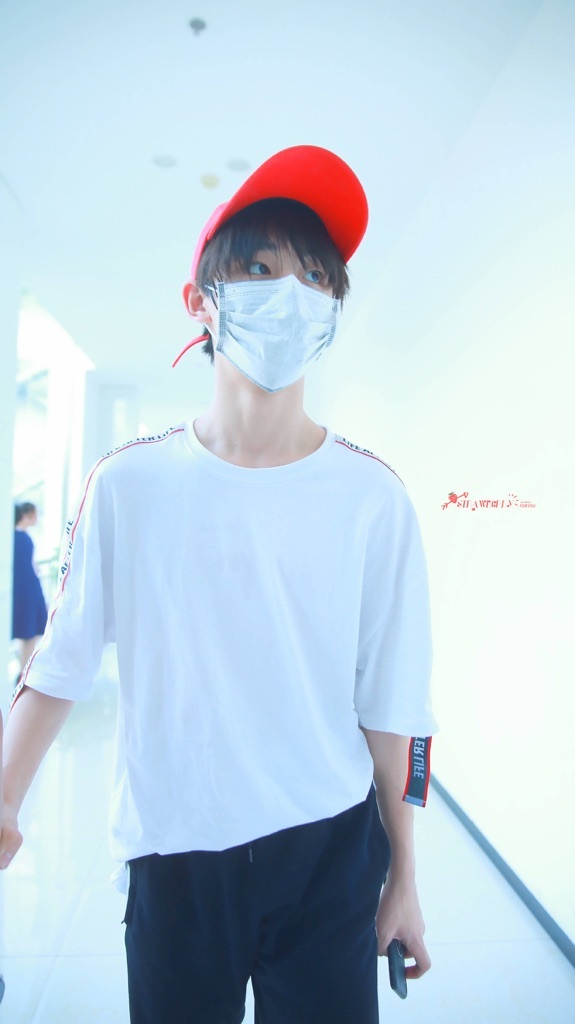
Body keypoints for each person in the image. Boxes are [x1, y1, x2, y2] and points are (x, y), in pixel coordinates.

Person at [0, 145, 437, 1023]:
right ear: (200, 301)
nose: (293, 293)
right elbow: (61, 662)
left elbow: (396, 705)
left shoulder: (372, 499)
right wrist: (5, 797)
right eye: (262, 269)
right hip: (175, 858)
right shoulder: (128, 484)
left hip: (329, 853)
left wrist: (405, 876)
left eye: (316, 276)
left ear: (331, 311)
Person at [11, 502, 48, 674]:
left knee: (26, 631)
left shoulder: (16, 537)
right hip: (28, 590)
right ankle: (23, 672)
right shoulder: (22, 538)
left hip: (23, 590)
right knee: (29, 632)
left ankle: (23, 669)